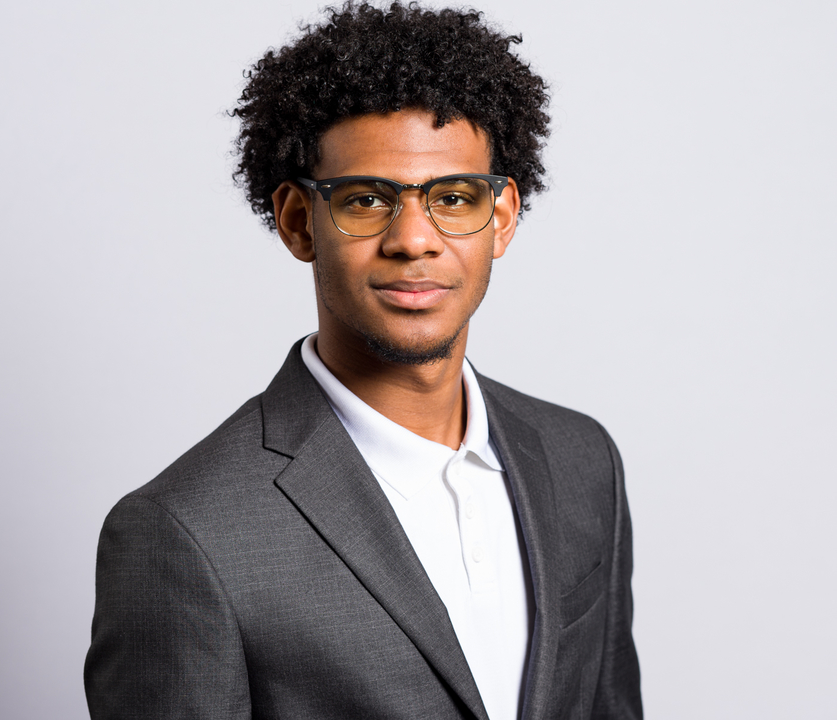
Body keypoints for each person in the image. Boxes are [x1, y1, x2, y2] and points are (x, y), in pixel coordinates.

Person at [84, 3, 642, 718]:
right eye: (368, 200)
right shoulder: (186, 533)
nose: (414, 239)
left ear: (501, 217)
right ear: (298, 222)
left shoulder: (581, 459)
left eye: (453, 198)